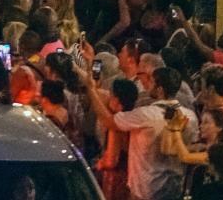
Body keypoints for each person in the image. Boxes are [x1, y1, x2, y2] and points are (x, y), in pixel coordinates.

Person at [84, 63, 199, 200]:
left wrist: (90, 89)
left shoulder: (146, 115)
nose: (147, 84)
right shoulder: (191, 116)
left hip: (147, 189)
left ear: (160, 89)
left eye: (151, 81)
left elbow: (110, 122)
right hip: (174, 187)